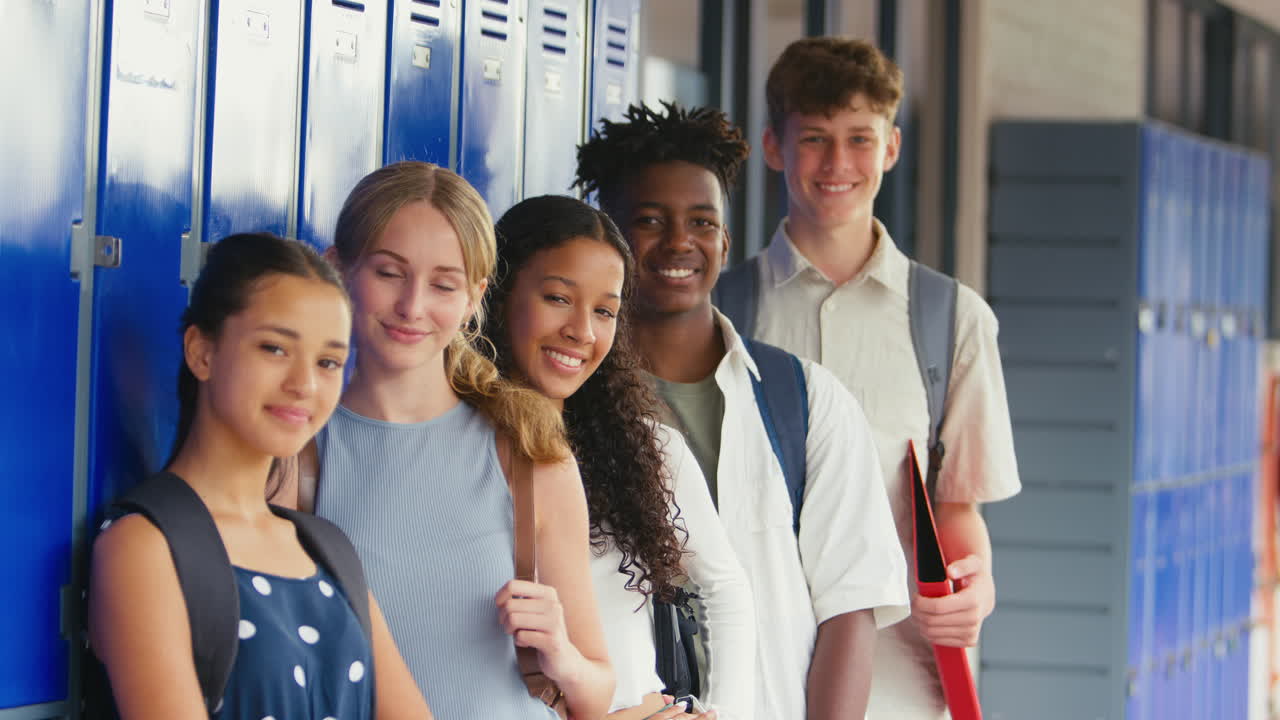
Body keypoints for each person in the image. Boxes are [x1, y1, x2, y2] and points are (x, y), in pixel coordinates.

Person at [575, 103, 908, 720]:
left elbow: (849, 609)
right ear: (609, 237)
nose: (680, 241)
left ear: (725, 241)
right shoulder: (564, 409)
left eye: (701, 222)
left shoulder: (805, 401)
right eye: (650, 220)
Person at [750, 38, 1022, 718]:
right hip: (751, 673)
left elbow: (955, 504)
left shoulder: (951, 320)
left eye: (859, 139)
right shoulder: (724, 311)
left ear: (892, 148)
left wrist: (975, 588)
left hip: (898, 684)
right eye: (813, 138)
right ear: (774, 148)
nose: (838, 163)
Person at [296, 161, 613, 719]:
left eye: (443, 284)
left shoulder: (529, 454)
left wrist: (560, 652)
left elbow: (595, 694)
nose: (413, 307)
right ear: (337, 269)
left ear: (474, 297)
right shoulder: (297, 454)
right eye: (390, 273)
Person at [89, 232, 432, 719]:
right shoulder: (144, 546)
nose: (304, 384)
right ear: (201, 352)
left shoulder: (326, 549)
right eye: (274, 349)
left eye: (329, 362)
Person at [485, 195, 756, 720]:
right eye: (558, 298)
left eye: (605, 311)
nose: (583, 331)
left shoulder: (648, 449)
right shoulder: (454, 448)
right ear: (498, 292)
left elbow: (724, 588)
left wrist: (723, 713)